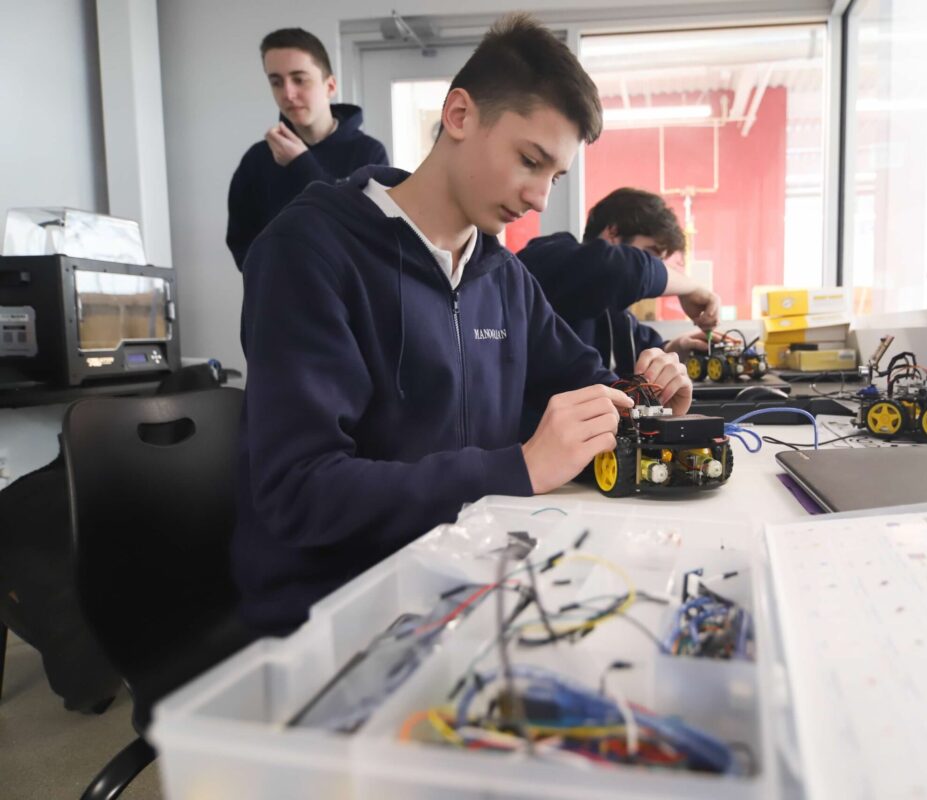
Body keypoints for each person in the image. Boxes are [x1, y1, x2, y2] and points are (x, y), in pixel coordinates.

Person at [234, 14, 691, 635]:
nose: (539, 198)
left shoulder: (501, 277)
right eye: (529, 160)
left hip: (473, 582)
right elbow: (299, 491)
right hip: (342, 611)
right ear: (458, 115)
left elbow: (589, 387)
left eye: (554, 176)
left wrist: (645, 395)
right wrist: (518, 468)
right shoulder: (308, 252)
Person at [226, 27, 390, 270]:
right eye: (276, 82)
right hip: (276, 290)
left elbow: (371, 235)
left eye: (299, 79)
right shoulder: (257, 158)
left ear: (330, 86)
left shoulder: (369, 153)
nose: (288, 94)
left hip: (347, 293)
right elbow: (241, 241)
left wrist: (302, 166)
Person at [519, 187, 721, 375]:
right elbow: (627, 269)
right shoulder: (550, 257)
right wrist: (690, 288)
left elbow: (637, 350)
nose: (655, 267)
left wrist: (675, 348)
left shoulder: (614, 311)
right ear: (613, 233)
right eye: (650, 254)